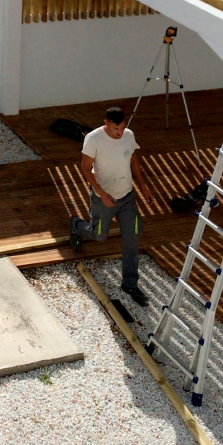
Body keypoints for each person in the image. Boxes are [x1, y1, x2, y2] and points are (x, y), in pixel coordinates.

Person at [69, 106, 154, 307]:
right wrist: (101, 192)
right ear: (106, 123)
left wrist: (143, 187)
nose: (120, 133)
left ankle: (130, 284)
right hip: (103, 198)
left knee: (132, 239)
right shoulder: (93, 138)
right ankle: (76, 226)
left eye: (123, 128)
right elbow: (85, 167)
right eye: (116, 129)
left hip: (127, 197)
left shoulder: (128, 136)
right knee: (99, 235)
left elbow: (133, 159)